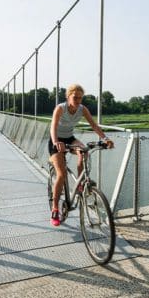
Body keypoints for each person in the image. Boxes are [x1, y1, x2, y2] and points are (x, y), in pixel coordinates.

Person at [48, 84, 114, 226]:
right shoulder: (60, 108)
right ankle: (54, 209)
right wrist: (56, 142)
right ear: (68, 96)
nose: (78, 100)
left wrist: (105, 139)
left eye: (80, 97)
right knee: (61, 174)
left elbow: (94, 126)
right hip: (56, 141)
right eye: (75, 97)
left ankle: (80, 184)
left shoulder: (82, 109)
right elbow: (53, 126)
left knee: (84, 151)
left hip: (70, 138)